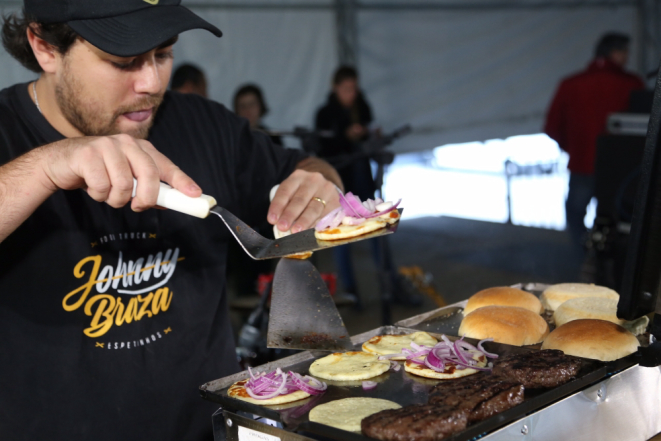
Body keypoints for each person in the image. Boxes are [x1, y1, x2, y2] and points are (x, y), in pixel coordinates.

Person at [0, 1, 342, 440]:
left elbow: (309, 169)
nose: (152, 82)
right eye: (123, 62)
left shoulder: (205, 125)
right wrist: (47, 166)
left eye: (163, 53)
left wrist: (319, 181)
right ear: (45, 47)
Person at [544, 33, 644, 252]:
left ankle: (583, 259)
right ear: (615, 54)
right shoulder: (632, 84)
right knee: (616, 219)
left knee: (576, 214)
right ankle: (607, 264)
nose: (627, 57)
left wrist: (573, 148)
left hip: (582, 164)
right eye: (625, 52)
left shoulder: (570, 84)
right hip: (621, 169)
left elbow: (552, 126)